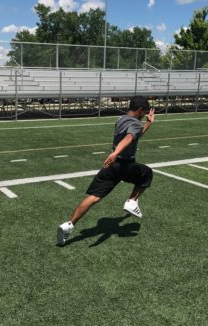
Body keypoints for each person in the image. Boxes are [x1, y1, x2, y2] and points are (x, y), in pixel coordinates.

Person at [57, 96, 155, 246]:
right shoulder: (135, 123)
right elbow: (129, 138)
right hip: (124, 164)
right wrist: (116, 153)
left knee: (94, 197)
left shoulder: (121, 119)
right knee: (147, 173)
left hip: (111, 166)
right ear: (140, 110)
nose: (144, 115)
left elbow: (134, 136)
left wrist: (148, 123)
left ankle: (69, 225)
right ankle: (132, 201)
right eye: (144, 112)